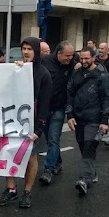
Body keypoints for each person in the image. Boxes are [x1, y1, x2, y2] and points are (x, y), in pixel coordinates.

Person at [0, 37, 51, 208]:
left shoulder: (43, 74)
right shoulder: (17, 69)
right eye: (23, 48)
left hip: (31, 123)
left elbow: (44, 103)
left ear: (36, 51)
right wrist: (15, 71)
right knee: (8, 153)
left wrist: (39, 128)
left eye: (29, 49)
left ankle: (27, 192)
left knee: (30, 157)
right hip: (12, 121)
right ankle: (11, 189)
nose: (26, 52)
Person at [66, 47, 109, 195]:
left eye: (87, 58)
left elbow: (106, 98)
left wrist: (104, 120)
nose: (84, 61)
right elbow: (70, 93)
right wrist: (70, 115)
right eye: (82, 58)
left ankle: (85, 179)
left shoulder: (102, 75)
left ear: (94, 57)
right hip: (79, 117)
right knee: (82, 144)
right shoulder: (77, 74)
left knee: (89, 146)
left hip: (95, 118)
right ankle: (91, 173)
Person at [39, 41, 76, 185]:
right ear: (58, 53)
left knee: (54, 138)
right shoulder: (45, 62)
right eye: (67, 56)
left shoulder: (73, 64)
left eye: (72, 56)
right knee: (49, 138)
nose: (70, 58)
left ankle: (48, 169)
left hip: (59, 109)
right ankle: (58, 160)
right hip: (44, 108)